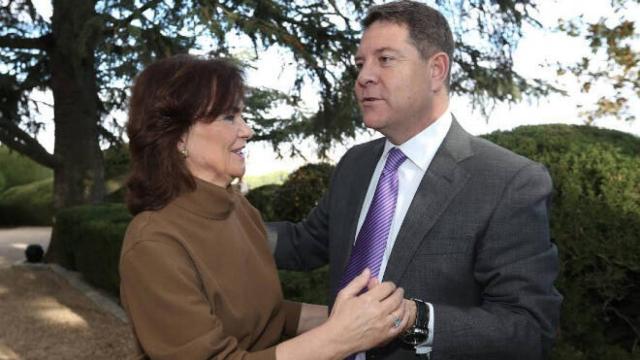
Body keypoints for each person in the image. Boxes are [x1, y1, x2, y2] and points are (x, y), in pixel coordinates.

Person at [269, 1, 562, 359]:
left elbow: (528, 329)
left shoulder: (508, 182)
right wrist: (206, 221)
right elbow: (304, 243)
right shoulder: (355, 164)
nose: (364, 77)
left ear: (436, 70)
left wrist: (413, 319)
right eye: (360, 64)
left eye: (386, 59)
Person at [119, 54, 413, 360]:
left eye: (242, 116)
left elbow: (266, 315)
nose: (247, 130)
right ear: (179, 137)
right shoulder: (153, 243)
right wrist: (339, 337)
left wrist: (361, 319)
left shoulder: (240, 211)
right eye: (229, 117)